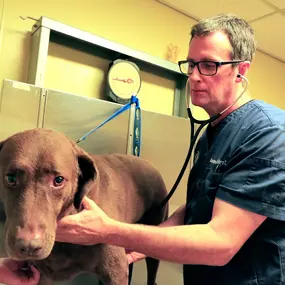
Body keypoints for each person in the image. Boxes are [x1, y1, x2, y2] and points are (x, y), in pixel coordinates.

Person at [56, 13, 285, 285]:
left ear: (241, 71)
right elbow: (199, 207)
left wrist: (111, 231)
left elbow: (220, 242)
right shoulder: (209, 134)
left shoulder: (268, 134)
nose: (195, 76)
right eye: (191, 64)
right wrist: (142, 242)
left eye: (209, 65)